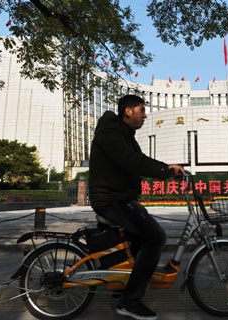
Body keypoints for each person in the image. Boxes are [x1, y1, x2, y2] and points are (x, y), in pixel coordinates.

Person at [89, 94, 184, 320]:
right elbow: (131, 161)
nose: (145, 115)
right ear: (128, 111)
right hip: (111, 200)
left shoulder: (125, 135)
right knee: (156, 237)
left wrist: (166, 169)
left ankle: (121, 283)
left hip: (121, 198)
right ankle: (130, 302)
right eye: (141, 110)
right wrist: (165, 171)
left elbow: (138, 160)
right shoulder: (110, 132)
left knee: (139, 239)